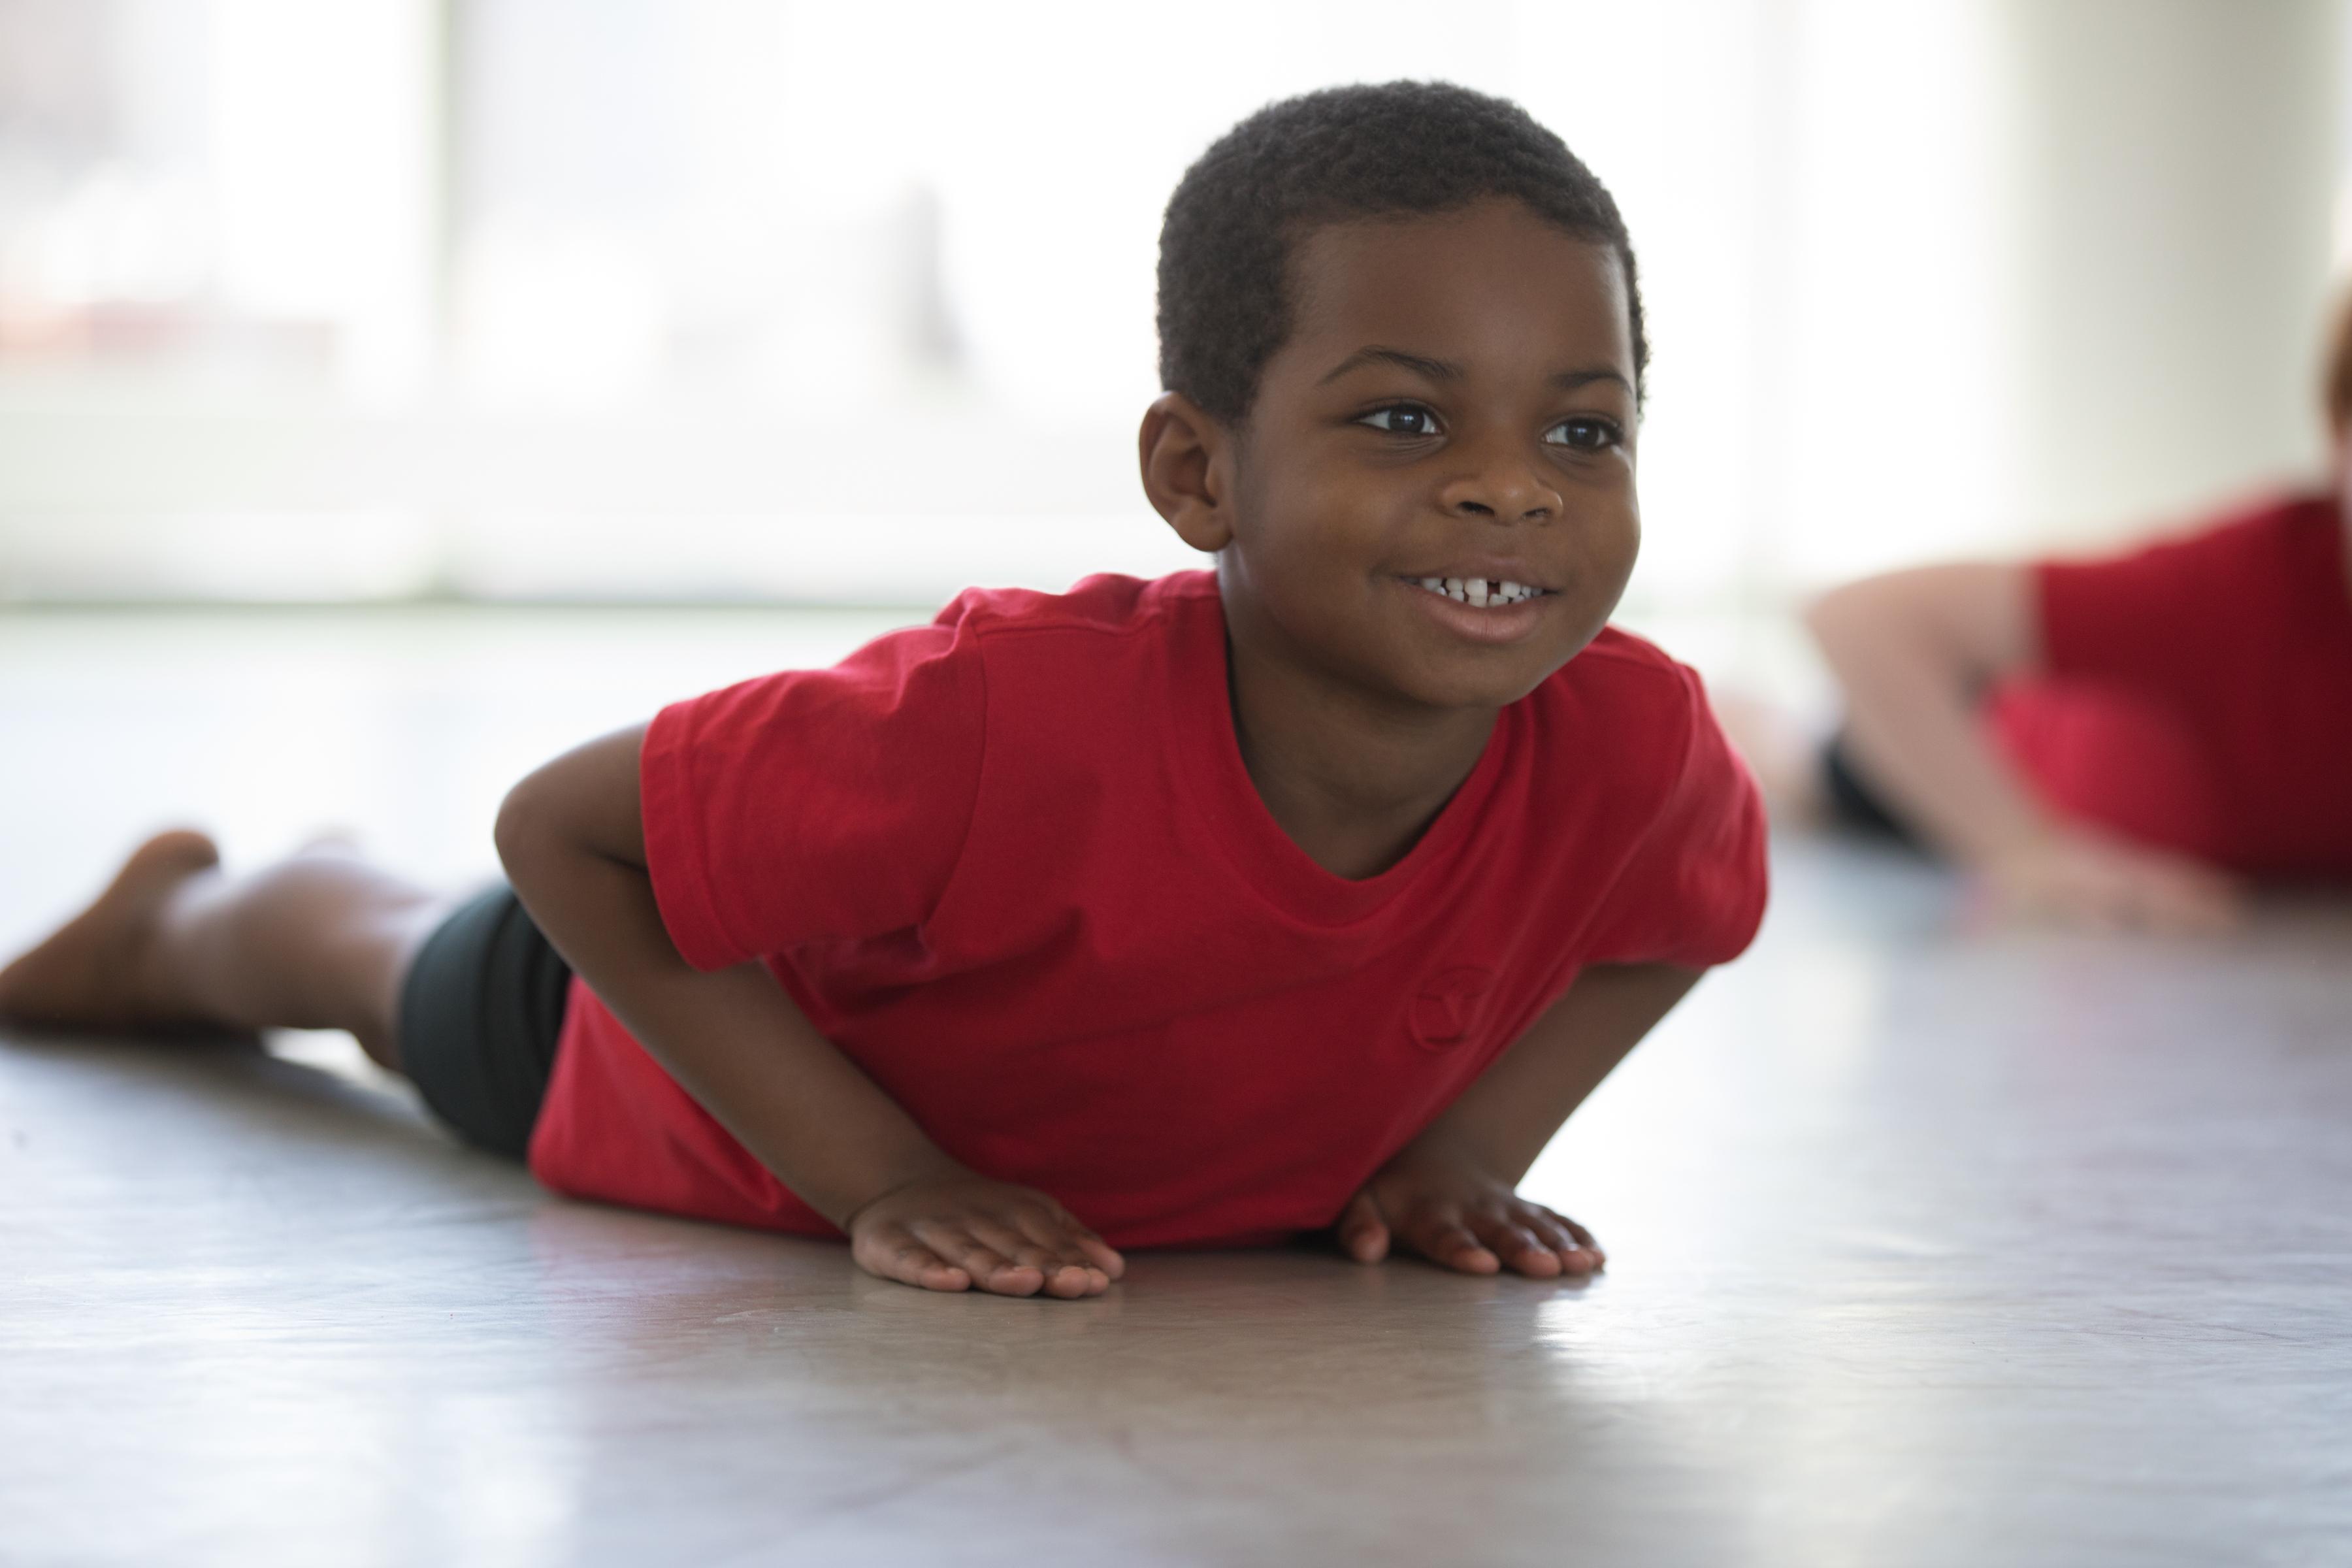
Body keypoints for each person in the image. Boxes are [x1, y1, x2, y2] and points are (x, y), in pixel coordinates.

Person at [0, 83, 1767, 1299]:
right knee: (383, 967)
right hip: (666, 1029)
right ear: (1198, 475)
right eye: (1404, 418)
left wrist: (1464, 1151)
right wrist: (885, 1179)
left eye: (1583, 430)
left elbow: (1688, 912)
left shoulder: (1640, 747)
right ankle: (182, 920)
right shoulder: (999, 720)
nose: (1511, 487)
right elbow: (561, 829)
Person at [1793, 301, 2352, 933]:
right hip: (1961, 765)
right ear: (2337, 439)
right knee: (1793, 774)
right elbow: (1851, 619)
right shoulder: (2243, 579)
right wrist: (2028, 855)